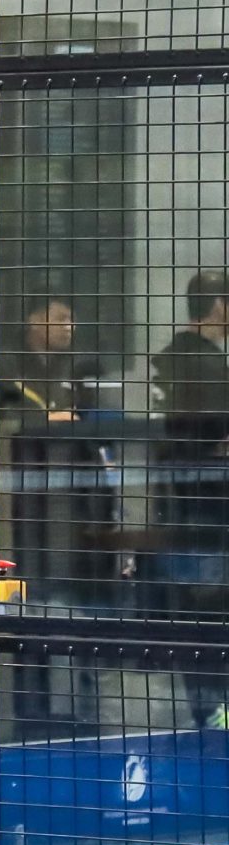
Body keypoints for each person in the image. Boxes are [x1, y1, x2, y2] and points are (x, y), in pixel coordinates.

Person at [152, 272, 229, 725]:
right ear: (218, 305)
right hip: (211, 510)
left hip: (178, 509)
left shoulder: (170, 360)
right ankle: (216, 713)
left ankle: (208, 711)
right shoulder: (208, 367)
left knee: (194, 616)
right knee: (214, 614)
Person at [2, 296, 94, 422]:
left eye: (71, 320)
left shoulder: (76, 363)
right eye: (60, 319)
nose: (69, 327)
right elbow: (1, 415)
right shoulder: (7, 361)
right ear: (35, 321)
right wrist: (45, 420)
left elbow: (88, 410)